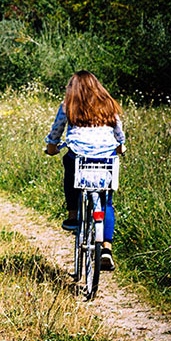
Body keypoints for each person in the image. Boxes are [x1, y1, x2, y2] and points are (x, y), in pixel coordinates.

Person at [44, 70, 125, 271]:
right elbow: (118, 132)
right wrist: (120, 146)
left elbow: (57, 131)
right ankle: (106, 248)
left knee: (68, 164)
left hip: (80, 158)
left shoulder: (68, 106)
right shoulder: (109, 104)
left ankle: (73, 215)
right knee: (106, 201)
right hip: (106, 158)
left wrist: (52, 147)